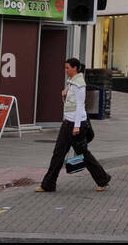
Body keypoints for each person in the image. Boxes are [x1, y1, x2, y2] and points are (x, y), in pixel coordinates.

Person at [37, 58, 110, 193]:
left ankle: (103, 179)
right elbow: (70, 103)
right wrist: (64, 95)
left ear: (75, 69)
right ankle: (48, 184)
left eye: (67, 68)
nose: (65, 70)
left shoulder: (79, 85)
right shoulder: (71, 83)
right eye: (65, 68)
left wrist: (76, 126)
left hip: (77, 125)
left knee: (84, 154)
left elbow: (80, 107)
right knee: (58, 153)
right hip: (67, 123)